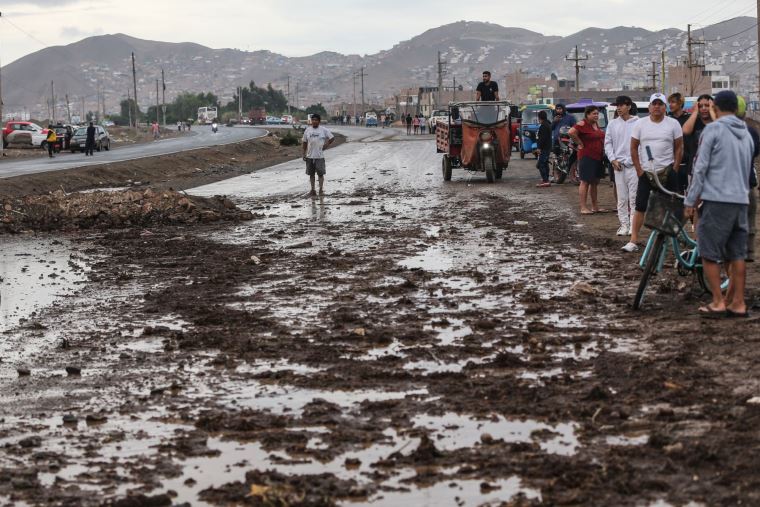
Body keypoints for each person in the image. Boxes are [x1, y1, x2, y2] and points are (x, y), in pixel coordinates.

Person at [684, 90, 754, 318]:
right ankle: (738, 303)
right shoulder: (746, 133)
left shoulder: (713, 129)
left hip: (717, 199)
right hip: (741, 200)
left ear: (716, 108)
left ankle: (717, 302)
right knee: (737, 254)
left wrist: (691, 199)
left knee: (709, 252)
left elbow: (700, 167)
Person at [622, 92, 684, 252]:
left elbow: (679, 148)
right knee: (640, 206)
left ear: (665, 107)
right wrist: (639, 170)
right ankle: (633, 240)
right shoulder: (640, 124)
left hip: (667, 170)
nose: (657, 107)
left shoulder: (673, 124)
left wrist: (675, 169)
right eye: (654, 104)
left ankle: (672, 239)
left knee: (672, 205)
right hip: (647, 172)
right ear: (649, 107)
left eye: (660, 104)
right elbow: (633, 147)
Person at [604, 95, 639, 236]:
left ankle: (633, 225)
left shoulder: (638, 123)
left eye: (621, 105)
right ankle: (624, 224)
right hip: (618, 166)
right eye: (617, 105)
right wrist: (612, 159)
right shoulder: (612, 124)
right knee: (622, 198)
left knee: (634, 197)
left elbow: (641, 144)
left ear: (629, 106)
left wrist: (636, 161)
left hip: (633, 166)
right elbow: (608, 143)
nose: (618, 108)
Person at [569, 105, 606, 214]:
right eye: (594, 114)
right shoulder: (582, 124)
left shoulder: (595, 124)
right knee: (585, 181)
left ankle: (595, 206)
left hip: (597, 156)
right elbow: (571, 132)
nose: (596, 116)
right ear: (587, 114)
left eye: (597, 114)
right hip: (587, 156)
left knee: (595, 182)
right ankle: (583, 207)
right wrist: (579, 143)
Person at [736, 95, 759, 262]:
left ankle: (735, 251)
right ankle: (749, 252)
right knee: (750, 217)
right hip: (748, 180)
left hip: (728, 185)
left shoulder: (719, 130)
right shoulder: (750, 131)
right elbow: (756, 152)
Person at [682, 94, 715, 190]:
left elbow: (724, 130)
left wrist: (712, 112)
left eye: (707, 105)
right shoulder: (694, 122)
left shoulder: (717, 123)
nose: (704, 108)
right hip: (695, 170)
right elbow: (685, 130)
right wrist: (695, 112)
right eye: (701, 106)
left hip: (715, 170)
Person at [301, 113, 334, 197]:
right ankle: (312, 190)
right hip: (309, 156)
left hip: (319, 156)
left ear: (319, 121)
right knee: (311, 174)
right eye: (313, 120)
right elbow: (304, 142)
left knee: (320, 174)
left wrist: (326, 145)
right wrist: (304, 153)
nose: (314, 121)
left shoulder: (323, 130)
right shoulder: (308, 130)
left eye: (316, 120)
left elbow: (332, 138)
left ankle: (321, 190)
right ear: (311, 121)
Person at [668, 93, 691, 194]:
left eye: (673, 102)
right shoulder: (667, 120)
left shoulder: (689, 119)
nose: (670, 105)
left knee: (686, 194)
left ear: (680, 103)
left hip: (687, 163)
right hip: (671, 163)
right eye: (669, 102)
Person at [535, 110, 553, 187]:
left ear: (539, 118)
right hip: (547, 147)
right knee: (545, 163)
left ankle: (545, 180)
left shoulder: (543, 126)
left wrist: (539, 148)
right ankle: (546, 179)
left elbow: (542, 139)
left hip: (544, 148)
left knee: (540, 164)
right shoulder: (548, 124)